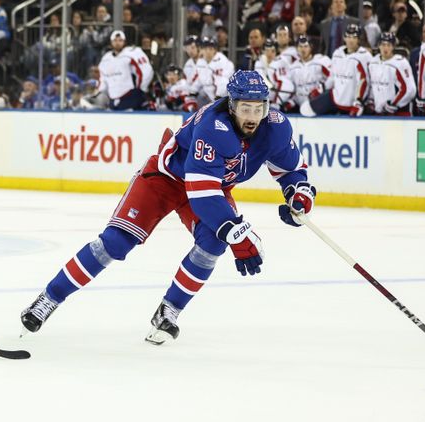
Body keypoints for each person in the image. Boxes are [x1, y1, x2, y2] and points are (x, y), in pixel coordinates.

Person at [18, 70, 316, 344]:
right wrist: (237, 234)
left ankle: (169, 310)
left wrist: (297, 193)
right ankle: (48, 299)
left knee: (213, 243)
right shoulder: (214, 126)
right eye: (245, 109)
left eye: (258, 108)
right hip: (165, 179)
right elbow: (202, 192)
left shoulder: (275, 127)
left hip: (209, 186)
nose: (252, 117)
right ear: (231, 105)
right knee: (115, 243)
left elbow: (290, 168)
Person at [301, 23, 372, 117]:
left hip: (351, 102)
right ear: (344, 38)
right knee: (306, 109)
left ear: (358, 39)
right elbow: (332, 77)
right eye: (348, 36)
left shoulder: (364, 56)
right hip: (334, 97)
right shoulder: (337, 53)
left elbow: (364, 82)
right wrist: (322, 88)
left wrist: (359, 102)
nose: (351, 40)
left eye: (354, 37)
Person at [97, 30, 154, 110]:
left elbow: (146, 71)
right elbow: (103, 78)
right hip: (112, 99)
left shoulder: (131, 54)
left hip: (129, 96)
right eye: (115, 40)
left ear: (124, 42)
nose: (117, 43)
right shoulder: (106, 59)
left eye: (120, 40)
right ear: (111, 42)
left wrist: (140, 89)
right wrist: (101, 92)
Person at [367, 32, 417, 116]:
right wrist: (371, 100)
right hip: (378, 113)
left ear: (393, 46)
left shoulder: (400, 63)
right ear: (379, 45)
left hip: (399, 113)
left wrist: (393, 104)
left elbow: (410, 89)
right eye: (383, 44)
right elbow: (372, 85)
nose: (385, 48)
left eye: (389, 45)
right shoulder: (373, 62)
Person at [288, 35, 331, 113]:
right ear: (297, 49)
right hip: (301, 108)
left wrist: (321, 90)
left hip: (319, 106)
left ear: (311, 47)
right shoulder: (292, 68)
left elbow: (332, 79)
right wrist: (291, 102)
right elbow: (293, 90)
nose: (303, 49)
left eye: (306, 46)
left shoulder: (321, 62)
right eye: (300, 47)